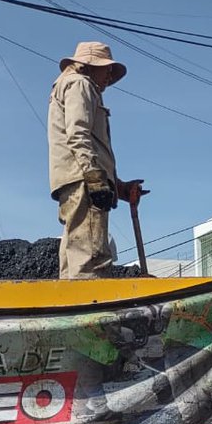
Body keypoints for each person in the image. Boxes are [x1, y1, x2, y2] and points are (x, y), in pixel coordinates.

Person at [48, 41, 136, 279]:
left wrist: (117, 185)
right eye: (106, 68)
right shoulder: (80, 84)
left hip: (77, 178)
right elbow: (78, 134)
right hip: (83, 180)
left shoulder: (70, 85)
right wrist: (95, 177)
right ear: (88, 65)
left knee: (76, 253)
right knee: (91, 258)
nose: (109, 75)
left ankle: (72, 306)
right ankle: (92, 308)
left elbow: (89, 142)